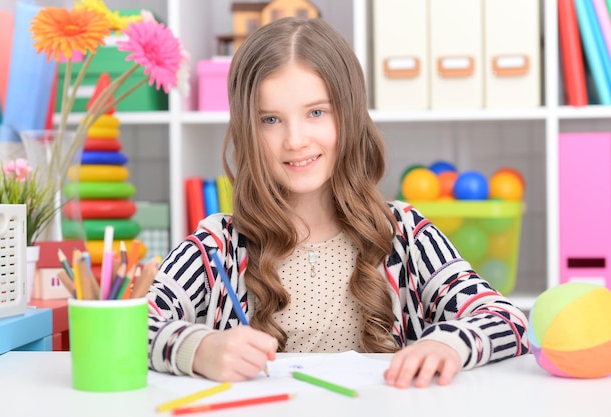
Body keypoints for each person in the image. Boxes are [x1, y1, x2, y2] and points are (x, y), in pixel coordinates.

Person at [147, 16, 529, 389]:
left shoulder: (405, 233)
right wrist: (197, 349)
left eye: (316, 112)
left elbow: (506, 318)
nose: (295, 140)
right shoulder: (219, 244)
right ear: (247, 129)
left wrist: (448, 343)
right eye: (270, 120)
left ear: (348, 115)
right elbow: (131, 323)